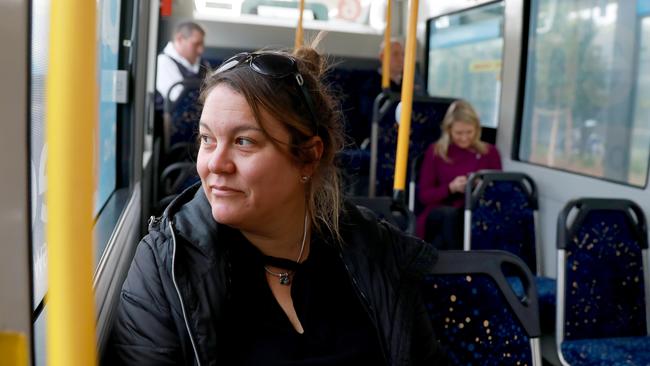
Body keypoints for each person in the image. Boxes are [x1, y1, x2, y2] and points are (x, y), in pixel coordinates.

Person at [106, 41, 448, 365]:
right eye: (207, 139)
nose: (214, 163)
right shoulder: (167, 267)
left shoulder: (377, 254)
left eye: (243, 142)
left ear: (308, 157)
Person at [416, 100, 502, 250]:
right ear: (449, 130)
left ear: (477, 129)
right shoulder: (436, 152)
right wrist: (450, 188)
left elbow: (500, 190)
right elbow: (425, 195)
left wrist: (479, 185)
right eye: (459, 133)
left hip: (476, 209)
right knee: (450, 218)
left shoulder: (489, 152)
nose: (464, 138)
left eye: (469, 132)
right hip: (441, 210)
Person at [156, 21, 208, 105]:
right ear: (179, 39)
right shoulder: (163, 62)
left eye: (202, 44)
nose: (201, 50)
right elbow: (178, 99)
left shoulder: (200, 62)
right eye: (196, 44)